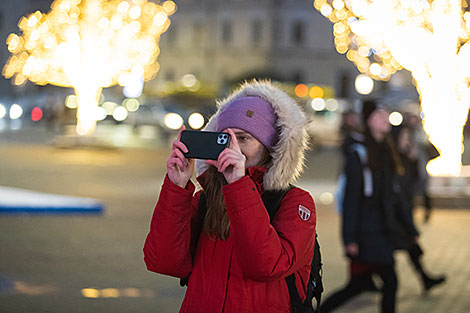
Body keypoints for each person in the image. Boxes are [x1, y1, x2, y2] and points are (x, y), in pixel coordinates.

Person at [143, 80, 316, 313]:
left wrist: (238, 184)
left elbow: (266, 266)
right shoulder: (206, 199)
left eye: (243, 138)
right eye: (225, 138)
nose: (233, 147)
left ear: (269, 146)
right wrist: (177, 186)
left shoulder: (294, 203)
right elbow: (163, 261)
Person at [321, 100, 404, 313]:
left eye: (386, 115)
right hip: (367, 232)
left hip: (381, 229)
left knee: (358, 285)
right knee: (389, 281)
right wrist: (349, 238)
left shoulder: (385, 148)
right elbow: (351, 200)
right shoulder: (359, 153)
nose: (385, 119)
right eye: (379, 116)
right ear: (368, 121)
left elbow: (391, 196)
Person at [392, 124, 446, 292]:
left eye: (408, 138)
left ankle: (425, 278)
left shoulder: (408, 158)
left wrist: (415, 156)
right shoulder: (392, 161)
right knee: (406, 249)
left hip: (403, 211)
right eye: (404, 138)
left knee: (411, 248)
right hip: (394, 215)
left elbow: (414, 184)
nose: (407, 141)